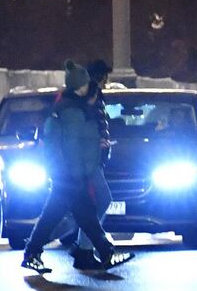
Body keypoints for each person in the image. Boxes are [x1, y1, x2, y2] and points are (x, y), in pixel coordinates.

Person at [21, 61, 125, 274]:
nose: (91, 85)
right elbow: (73, 146)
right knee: (75, 215)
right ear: (81, 85)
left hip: (67, 172)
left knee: (70, 214)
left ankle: (34, 252)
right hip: (70, 173)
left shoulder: (72, 106)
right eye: (87, 83)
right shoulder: (72, 110)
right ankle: (104, 252)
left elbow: (78, 142)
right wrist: (80, 174)